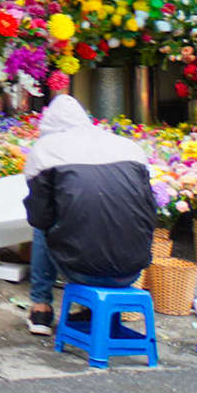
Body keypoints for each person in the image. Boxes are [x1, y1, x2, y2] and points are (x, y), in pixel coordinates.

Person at [22, 94, 154, 336]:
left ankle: (41, 308)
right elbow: (148, 209)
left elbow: (38, 217)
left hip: (80, 269)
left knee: (42, 227)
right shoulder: (128, 148)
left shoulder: (46, 149)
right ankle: (93, 312)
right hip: (132, 270)